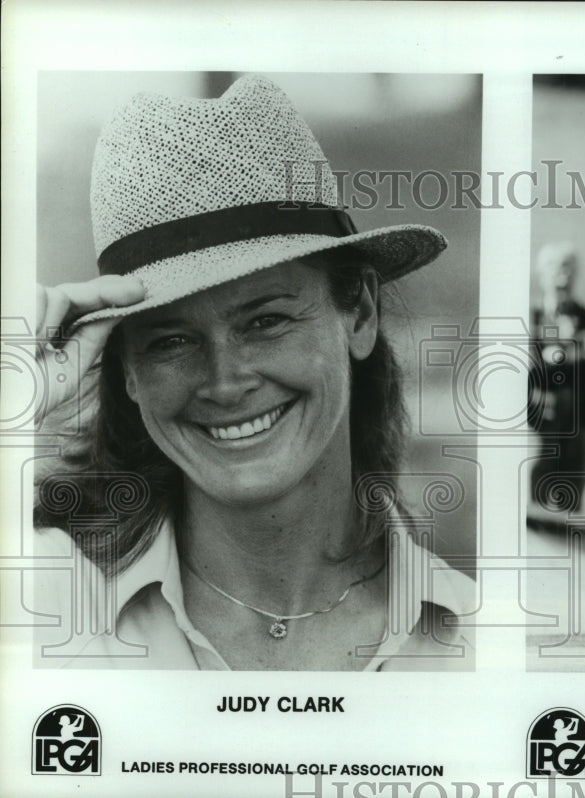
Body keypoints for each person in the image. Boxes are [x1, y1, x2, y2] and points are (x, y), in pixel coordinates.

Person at [32, 75, 474, 671]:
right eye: (170, 340)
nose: (225, 381)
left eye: (266, 321)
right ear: (127, 370)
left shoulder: (485, 639)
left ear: (360, 315)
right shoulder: (43, 605)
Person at [529, 243, 585, 513]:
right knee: (537, 491)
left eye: (568, 268)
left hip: (584, 416)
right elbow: (524, 364)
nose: (562, 275)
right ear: (541, 274)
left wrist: (561, 355)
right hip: (539, 417)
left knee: (572, 496)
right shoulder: (531, 317)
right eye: (554, 267)